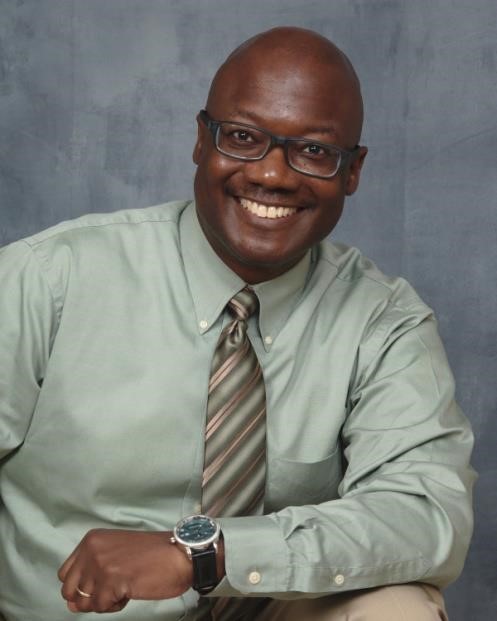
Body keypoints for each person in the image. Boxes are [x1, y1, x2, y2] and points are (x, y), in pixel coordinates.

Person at [0, 27, 474, 621]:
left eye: (314, 151)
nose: (273, 175)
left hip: (275, 608)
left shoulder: (383, 321)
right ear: (202, 140)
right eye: (244, 138)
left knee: (396, 606)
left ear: (352, 171)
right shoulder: (50, 279)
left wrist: (206, 554)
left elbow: (425, 515)